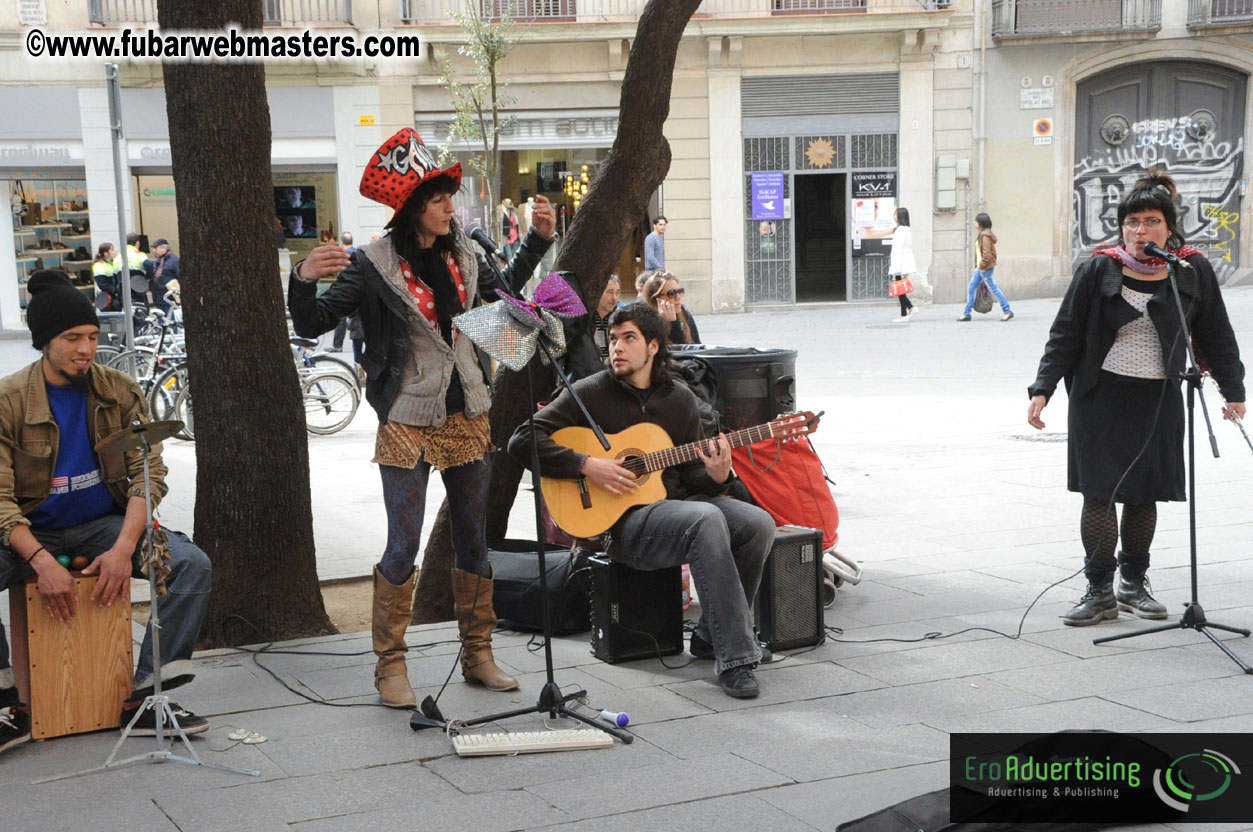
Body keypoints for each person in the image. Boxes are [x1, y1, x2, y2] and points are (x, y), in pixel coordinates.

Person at [288, 127, 558, 707]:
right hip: (407, 417)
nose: (448, 208)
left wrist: (537, 243)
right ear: (412, 206)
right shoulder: (372, 264)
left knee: (473, 540)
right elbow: (312, 323)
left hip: (467, 411)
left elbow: (504, 296)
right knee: (402, 544)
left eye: (448, 198)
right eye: (437, 199)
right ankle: (390, 666)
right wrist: (302, 278)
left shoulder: (464, 253)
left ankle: (478, 654)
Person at [508, 303, 773, 698]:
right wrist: (586, 465)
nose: (616, 347)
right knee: (705, 519)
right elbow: (521, 440)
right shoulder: (590, 393)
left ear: (652, 346)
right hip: (625, 527)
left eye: (628, 338)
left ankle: (707, 636)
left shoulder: (678, 400)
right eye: (612, 339)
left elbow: (690, 479)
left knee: (758, 524)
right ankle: (735, 657)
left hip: (677, 509)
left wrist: (720, 476)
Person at [0, 271, 213, 755]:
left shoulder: (118, 390)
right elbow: (0, 500)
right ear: (44, 342)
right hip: (31, 531)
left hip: (103, 526)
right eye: (72, 337)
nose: (85, 348)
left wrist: (122, 549)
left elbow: (147, 474)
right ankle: (6, 705)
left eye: (92, 337)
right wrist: (41, 562)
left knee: (189, 565)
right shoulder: (8, 399)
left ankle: (147, 698)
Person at [1027, 172, 1245, 626]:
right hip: (1100, 396)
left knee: (1144, 495)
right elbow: (1065, 332)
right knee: (1099, 494)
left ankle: (1133, 583)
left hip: (1159, 396)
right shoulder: (1098, 267)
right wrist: (1042, 389)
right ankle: (1099, 589)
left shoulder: (1191, 269)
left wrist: (1234, 390)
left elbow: (1215, 333)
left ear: (1170, 226)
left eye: (1150, 221)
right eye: (1131, 222)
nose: (1139, 231)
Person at [958, 213, 1012, 322]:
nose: (974, 223)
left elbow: (987, 254)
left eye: (976, 221)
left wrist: (982, 266)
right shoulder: (983, 234)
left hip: (984, 267)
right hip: (980, 267)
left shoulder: (985, 236)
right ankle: (967, 313)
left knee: (993, 289)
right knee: (971, 287)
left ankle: (1007, 311)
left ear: (980, 223)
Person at [641, 270, 701, 346]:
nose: (678, 297)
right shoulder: (647, 323)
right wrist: (672, 324)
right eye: (672, 293)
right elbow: (674, 352)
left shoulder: (685, 315)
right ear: (657, 299)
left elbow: (696, 346)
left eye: (679, 291)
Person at [888, 207, 917, 323]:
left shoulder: (900, 230)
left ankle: (904, 313)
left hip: (900, 261)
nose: (894, 217)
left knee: (899, 287)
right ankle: (910, 307)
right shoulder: (907, 229)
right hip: (904, 260)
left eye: (896, 215)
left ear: (900, 216)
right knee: (901, 287)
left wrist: (895, 265)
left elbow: (897, 249)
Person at [330, 232, 357, 352]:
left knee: (340, 317)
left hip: (344, 289)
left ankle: (337, 345)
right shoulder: (357, 253)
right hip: (356, 288)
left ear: (342, 242)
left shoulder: (341, 255)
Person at [146, 238, 180, 315]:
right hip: (158, 299)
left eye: (155, 248)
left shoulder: (174, 261)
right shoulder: (156, 262)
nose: (153, 251)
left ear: (163, 248)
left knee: (172, 321)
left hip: (170, 300)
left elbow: (180, 277)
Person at [591, 275, 621, 358]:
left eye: (617, 293)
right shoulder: (586, 318)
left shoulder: (620, 317)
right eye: (610, 292)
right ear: (598, 293)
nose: (614, 298)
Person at [92, 243, 122, 312]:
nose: (115, 251)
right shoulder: (99, 265)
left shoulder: (115, 262)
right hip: (109, 300)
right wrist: (116, 290)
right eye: (112, 249)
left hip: (117, 297)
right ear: (106, 253)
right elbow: (102, 284)